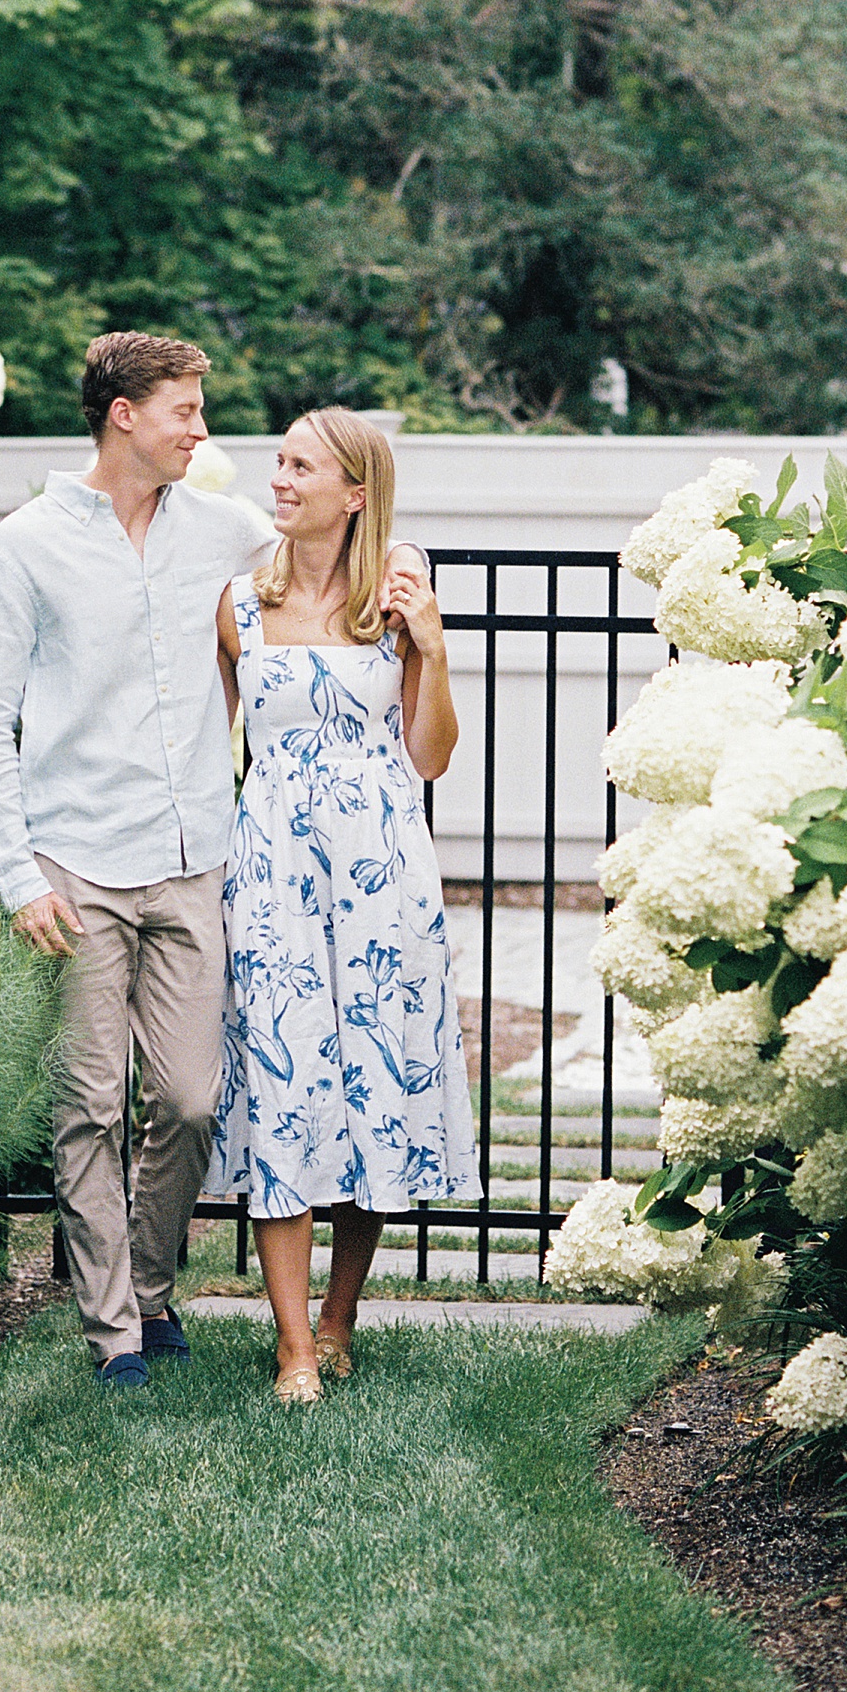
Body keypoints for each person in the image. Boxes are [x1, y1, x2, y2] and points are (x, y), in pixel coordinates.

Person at [0, 334, 429, 1389]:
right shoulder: (23, 547)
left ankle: (155, 1281)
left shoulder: (224, 531)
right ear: (125, 412)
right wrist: (15, 872)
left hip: (195, 859)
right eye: (186, 409)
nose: (203, 429)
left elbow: (345, 540)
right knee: (90, 1101)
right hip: (73, 860)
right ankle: (116, 1326)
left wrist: (408, 572)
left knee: (191, 1099)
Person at [208, 408, 476, 1403]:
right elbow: (209, 751)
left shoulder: (396, 604)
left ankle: (340, 1311)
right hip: (273, 867)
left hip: (384, 870)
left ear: (354, 490)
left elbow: (432, 755)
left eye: (300, 464)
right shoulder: (238, 602)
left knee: (371, 1076)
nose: (279, 477)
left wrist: (435, 648)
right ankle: (291, 1345)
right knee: (284, 1076)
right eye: (277, 461)